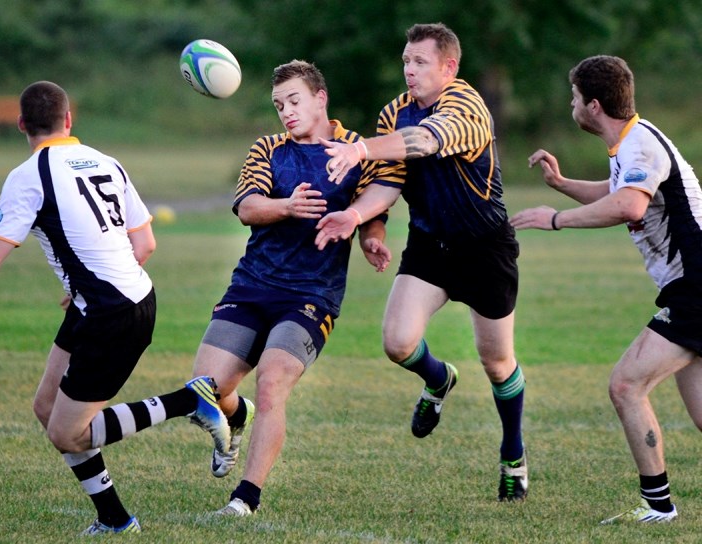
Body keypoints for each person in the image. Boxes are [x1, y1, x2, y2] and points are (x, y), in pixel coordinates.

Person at [0, 81, 232, 535]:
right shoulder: (108, 162)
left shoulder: (28, 175)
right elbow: (145, 242)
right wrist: (87, 281)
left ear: (22, 124)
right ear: (69, 120)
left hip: (112, 312)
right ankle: (114, 519)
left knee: (66, 432)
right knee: (47, 408)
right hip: (112, 300)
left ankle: (189, 400)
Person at [315, 23, 528, 501]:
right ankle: (438, 378)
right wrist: (357, 217)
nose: (409, 71)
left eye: (420, 63)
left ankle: (513, 453)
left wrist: (361, 147)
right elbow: (388, 182)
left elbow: (426, 142)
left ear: (449, 67)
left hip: (486, 248)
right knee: (396, 342)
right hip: (431, 245)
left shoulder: (467, 107)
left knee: (497, 363)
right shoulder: (394, 111)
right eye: (406, 62)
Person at [190, 60, 404, 516]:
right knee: (205, 389)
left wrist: (371, 238)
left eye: (294, 101)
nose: (285, 112)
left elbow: (375, 207)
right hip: (252, 285)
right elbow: (248, 208)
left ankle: (245, 498)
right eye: (278, 105)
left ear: (319, 98)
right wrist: (286, 206)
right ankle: (236, 415)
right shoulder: (268, 148)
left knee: (272, 382)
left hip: (311, 294)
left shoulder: (354, 150)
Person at [511, 55, 702, 524]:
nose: (571, 104)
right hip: (692, 287)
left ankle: (659, 508)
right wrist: (561, 184)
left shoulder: (639, 147)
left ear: (593, 106)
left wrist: (554, 220)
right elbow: (614, 192)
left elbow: (629, 206)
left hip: (697, 288)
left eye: (575, 97)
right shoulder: (632, 142)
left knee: (626, 385)